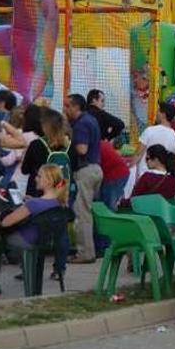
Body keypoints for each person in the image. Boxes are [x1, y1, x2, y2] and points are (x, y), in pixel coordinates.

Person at [0, 164, 68, 294]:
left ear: (48, 181)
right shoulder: (60, 203)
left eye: (39, 176)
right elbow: (43, 205)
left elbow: (6, 222)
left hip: (29, 241)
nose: (35, 178)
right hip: (50, 242)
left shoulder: (33, 204)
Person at [63, 94, 103, 264]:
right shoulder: (91, 120)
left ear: (76, 107)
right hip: (95, 170)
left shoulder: (81, 124)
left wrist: (68, 142)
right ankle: (89, 249)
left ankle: (85, 253)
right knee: (87, 212)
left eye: (67, 106)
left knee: (82, 214)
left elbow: (82, 149)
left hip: (85, 171)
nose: (65, 109)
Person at [20, 108, 70, 198]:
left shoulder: (36, 144)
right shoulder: (69, 145)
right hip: (60, 191)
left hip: (38, 191)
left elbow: (25, 169)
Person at [134, 102, 175, 177]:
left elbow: (138, 154)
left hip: (144, 177)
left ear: (163, 115)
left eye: (159, 111)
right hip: (163, 181)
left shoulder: (149, 131)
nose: (156, 113)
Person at [98, 139, 130, 210]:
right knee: (107, 200)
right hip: (119, 173)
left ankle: (111, 219)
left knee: (109, 203)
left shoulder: (95, 147)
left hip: (116, 175)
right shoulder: (101, 143)